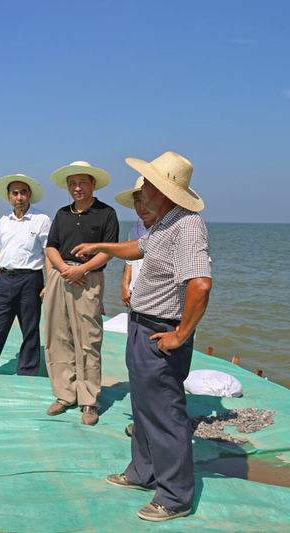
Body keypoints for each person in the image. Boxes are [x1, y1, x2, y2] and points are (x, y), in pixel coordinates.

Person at [73, 151, 211, 522]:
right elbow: (137, 248)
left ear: (163, 189)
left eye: (148, 182)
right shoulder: (164, 224)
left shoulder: (187, 225)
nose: (143, 188)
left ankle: (175, 497)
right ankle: (142, 471)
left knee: (165, 414)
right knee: (144, 408)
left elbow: (200, 284)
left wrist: (179, 336)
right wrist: (102, 247)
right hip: (142, 326)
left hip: (161, 331)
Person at [43, 161, 119, 425]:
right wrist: (64, 268)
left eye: (82, 182)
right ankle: (65, 393)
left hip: (88, 278)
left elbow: (108, 250)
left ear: (93, 184)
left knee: (88, 339)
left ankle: (89, 400)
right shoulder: (62, 214)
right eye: (73, 183)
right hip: (60, 275)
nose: (77, 188)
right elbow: (51, 246)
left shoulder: (106, 213)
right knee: (57, 336)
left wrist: (82, 269)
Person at [0, 174, 51, 376]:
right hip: (6, 279)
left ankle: (27, 371)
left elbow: (49, 253)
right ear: (9, 197)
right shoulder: (4, 221)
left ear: (30, 195)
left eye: (23, 192)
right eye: (15, 193)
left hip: (31, 279)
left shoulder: (41, 220)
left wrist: (49, 283)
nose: (19, 197)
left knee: (30, 328)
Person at [114, 177, 157, 307]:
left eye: (147, 199)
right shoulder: (134, 229)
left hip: (158, 301)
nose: (142, 206)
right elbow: (129, 261)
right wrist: (124, 285)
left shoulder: (170, 229)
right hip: (135, 298)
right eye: (138, 200)